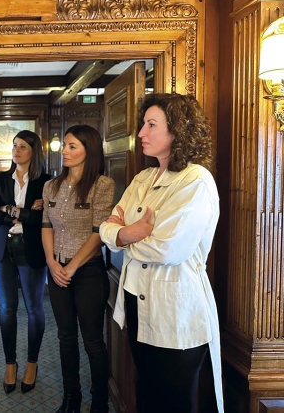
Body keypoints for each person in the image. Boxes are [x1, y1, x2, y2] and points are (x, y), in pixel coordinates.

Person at [99, 93, 224, 413]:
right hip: (138, 306)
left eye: (151, 125)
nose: (141, 132)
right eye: (144, 124)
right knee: (148, 395)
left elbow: (168, 248)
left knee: (176, 402)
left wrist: (123, 237)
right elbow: (106, 229)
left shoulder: (196, 181)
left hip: (176, 313)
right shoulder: (142, 177)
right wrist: (128, 232)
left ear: (178, 131)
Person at [41, 125, 115, 413]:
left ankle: (99, 402)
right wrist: (51, 262)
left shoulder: (102, 185)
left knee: (93, 341)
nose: (65, 151)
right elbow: (47, 226)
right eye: (64, 145)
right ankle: (71, 398)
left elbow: (99, 234)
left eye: (72, 146)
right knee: (65, 337)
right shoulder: (52, 185)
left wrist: (71, 267)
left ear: (89, 150)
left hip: (87, 273)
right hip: (56, 269)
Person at [0, 130, 52, 395]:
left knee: (34, 308)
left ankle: (32, 363)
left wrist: (10, 210)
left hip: (32, 250)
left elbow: (44, 219)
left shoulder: (47, 182)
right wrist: (23, 212)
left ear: (34, 150)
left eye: (23, 146)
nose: (16, 150)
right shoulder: (2, 179)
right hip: (3, 250)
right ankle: (10, 364)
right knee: (7, 308)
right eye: (14, 146)